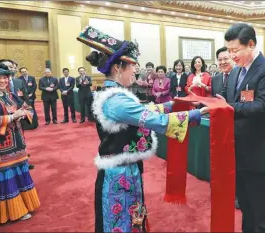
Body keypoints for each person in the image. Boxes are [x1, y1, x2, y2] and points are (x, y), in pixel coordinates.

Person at [76, 26, 208, 233]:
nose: (136, 70)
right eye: (132, 66)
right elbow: (153, 119)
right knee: (121, 220)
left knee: (132, 216)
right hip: (118, 172)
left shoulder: (115, 94)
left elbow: (144, 109)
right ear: (118, 67)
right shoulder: (116, 100)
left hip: (125, 166)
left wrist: (172, 104)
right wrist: (194, 115)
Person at [217, 23, 265, 232]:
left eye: (235, 50)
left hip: (263, 154)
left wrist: (227, 107)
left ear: (251, 44)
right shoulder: (237, 72)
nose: (231, 55)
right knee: (247, 209)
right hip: (240, 153)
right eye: (228, 50)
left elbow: (264, 105)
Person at [0, 62, 40, 227]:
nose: (2, 80)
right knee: (5, 177)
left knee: (19, 174)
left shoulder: (10, 96)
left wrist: (24, 114)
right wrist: (12, 117)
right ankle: (9, 213)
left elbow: (27, 107)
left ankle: (24, 206)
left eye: (5, 77)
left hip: (18, 144)